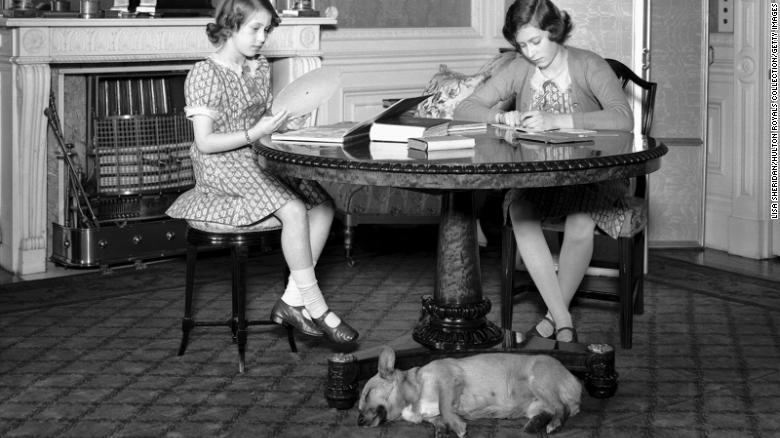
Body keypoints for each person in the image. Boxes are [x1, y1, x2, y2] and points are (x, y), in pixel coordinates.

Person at [166, 0, 358, 344]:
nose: (261, 38)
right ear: (229, 27)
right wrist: (256, 133)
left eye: (266, 29)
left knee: (324, 205)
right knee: (295, 208)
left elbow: (261, 121)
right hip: (219, 165)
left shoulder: (259, 67)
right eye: (254, 29)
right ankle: (316, 307)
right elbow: (205, 143)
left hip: (254, 155)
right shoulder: (204, 74)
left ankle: (290, 301)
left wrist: (283, 122)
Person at [454, 0, 633, 343]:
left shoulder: (587, 64)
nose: (530, 52)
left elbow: (623, 119)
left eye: (536, 42)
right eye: (522, 45)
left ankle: (555, 323)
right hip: (539, 178)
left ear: (554, 31)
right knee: (520, 210)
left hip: (593, 175)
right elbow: (465, 109)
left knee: (580, 219)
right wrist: (499, 116)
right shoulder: (519, 67)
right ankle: (562, 320)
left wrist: (557, 121)